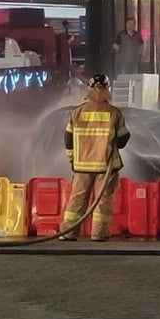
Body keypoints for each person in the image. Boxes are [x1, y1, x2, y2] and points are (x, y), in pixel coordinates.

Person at [58, 74, 131, 242]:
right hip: (105, 167)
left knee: (77, 199)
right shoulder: (114, 114)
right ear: (108, 90)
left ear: (89, 89)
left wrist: (72, 159)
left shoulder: (77, 113)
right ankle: (98, 234)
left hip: (82, 166)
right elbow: (122, 140)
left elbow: (68, 139)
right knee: (103, 201)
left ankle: (68, 232)